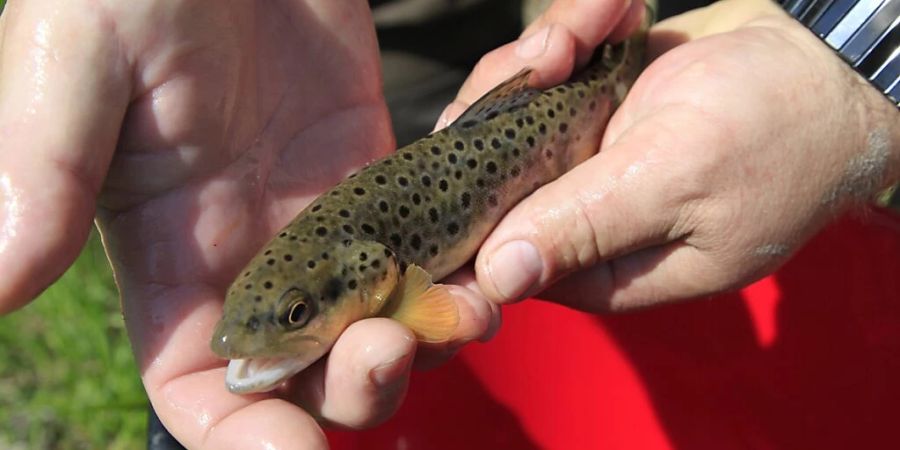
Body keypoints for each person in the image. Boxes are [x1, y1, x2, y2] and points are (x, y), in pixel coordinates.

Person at [0, 0, 896, 448]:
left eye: (291, 316)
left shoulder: (381, 273)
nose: (249, 336)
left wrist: (852, 55)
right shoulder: (338, 253)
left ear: (372, 274)